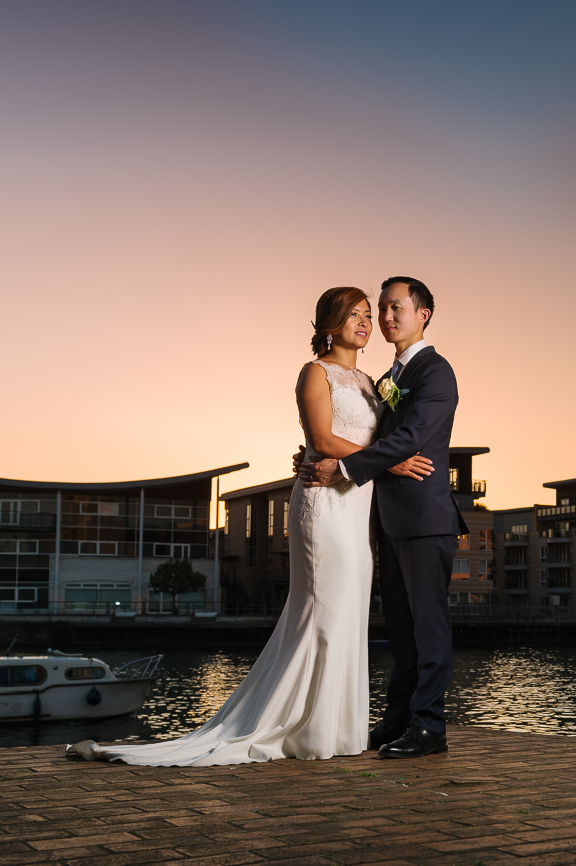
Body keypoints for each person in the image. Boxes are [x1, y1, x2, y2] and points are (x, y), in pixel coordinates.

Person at [66, 286, 430, 766]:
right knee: (322, 613)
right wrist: (388, 465)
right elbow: (321, 437)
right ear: (327, 323)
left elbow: (356, 440)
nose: (365, 322)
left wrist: (355, 461)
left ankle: (338, 729)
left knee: (348, 613)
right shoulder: (314, 373)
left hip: (356, 508)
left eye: (369, 314)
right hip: (324, 507)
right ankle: (302, 726)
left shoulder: (370, 380)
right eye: (354, 314)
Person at [303, 276, 466, 759]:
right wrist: (315, 453)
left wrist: (343, 467)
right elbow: (367, 434)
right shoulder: (388, 380)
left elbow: (410, 438)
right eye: (381, 309)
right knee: (400, 629)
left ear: (424, 314)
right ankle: (398, 720)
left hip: (426, 516)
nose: (386, 318)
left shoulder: (436, 373)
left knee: (429, 627)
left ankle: (429, 726)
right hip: (387, 519)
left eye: (396, 308)